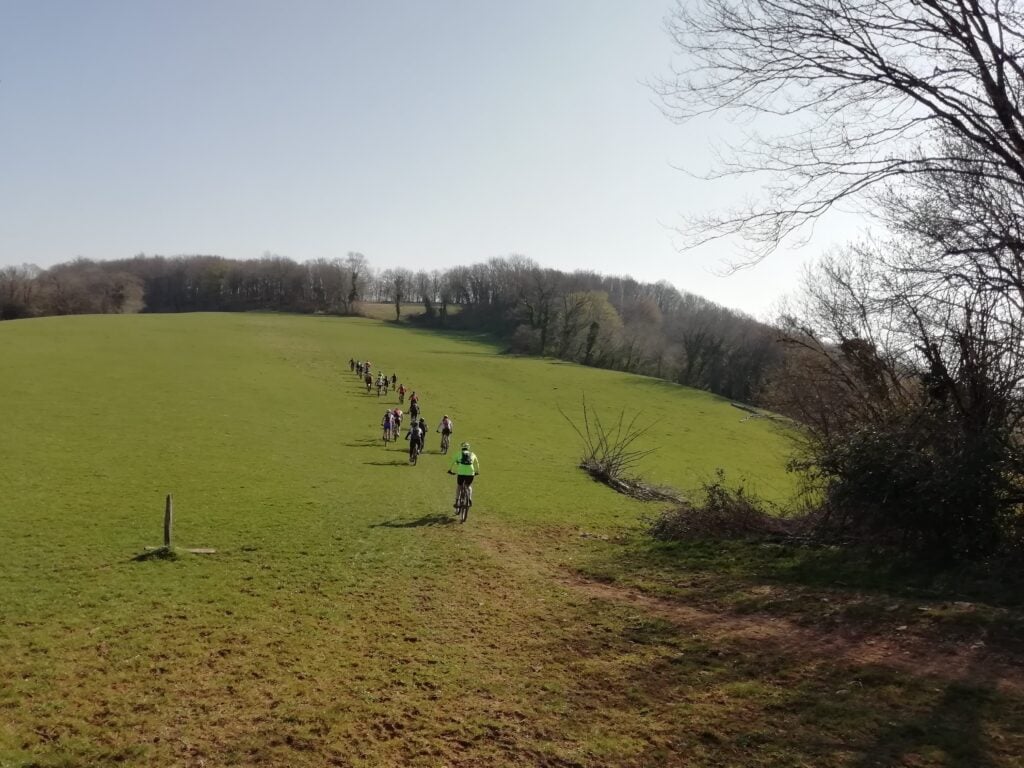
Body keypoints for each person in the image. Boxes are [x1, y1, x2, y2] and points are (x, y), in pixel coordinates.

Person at [448, 442, 480, 508]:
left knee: (459, 486)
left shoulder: (458, 453)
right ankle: (469, 499)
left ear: (461, 447)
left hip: (461, 472)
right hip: (471, 472)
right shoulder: (472, 454)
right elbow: (477, 463)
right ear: (468, 448)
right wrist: (477, 471)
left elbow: (452, 462)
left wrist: (450, 470)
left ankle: (457, 502)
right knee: (468, 486)